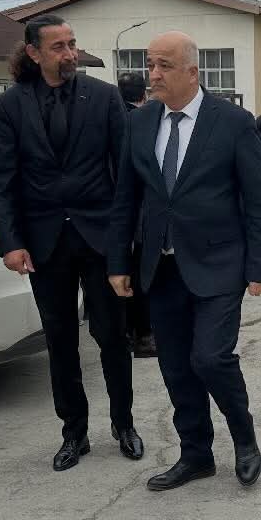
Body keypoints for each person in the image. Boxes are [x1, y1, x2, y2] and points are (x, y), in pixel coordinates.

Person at [107, 32, 261, 491]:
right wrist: (118, 262)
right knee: (176, 366)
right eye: (150, 65)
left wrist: (260, 266)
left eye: (164, 65)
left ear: (192, 72)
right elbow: (126, 198)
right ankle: (196, 454)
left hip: (219, 262)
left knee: (211, 358)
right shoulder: (140, 122)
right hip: (160, 268)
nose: (154, 74)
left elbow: (258, 199)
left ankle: (244, 440)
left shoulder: (232, 122)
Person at [0, 15, 143, 472]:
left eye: (72, 44)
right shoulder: (12, 105)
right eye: (58, 47)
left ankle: (124, 423)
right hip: (45, 242)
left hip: (99, 238)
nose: (70, 54)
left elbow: (126, 174)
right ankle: (74, 432)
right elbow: (4, 180)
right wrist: (11, 242)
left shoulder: (103, 96)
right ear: (34, 53)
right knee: (60, 341)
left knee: (112, 336)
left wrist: (125, 240)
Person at [117, 72, 158, 359]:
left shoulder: (112, 118)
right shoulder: (143, 124)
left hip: (114, 216)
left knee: (122, 274)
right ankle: (143, 334)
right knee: (141, 278)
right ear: (143, 95)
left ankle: (129, 332)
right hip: (143, 216)